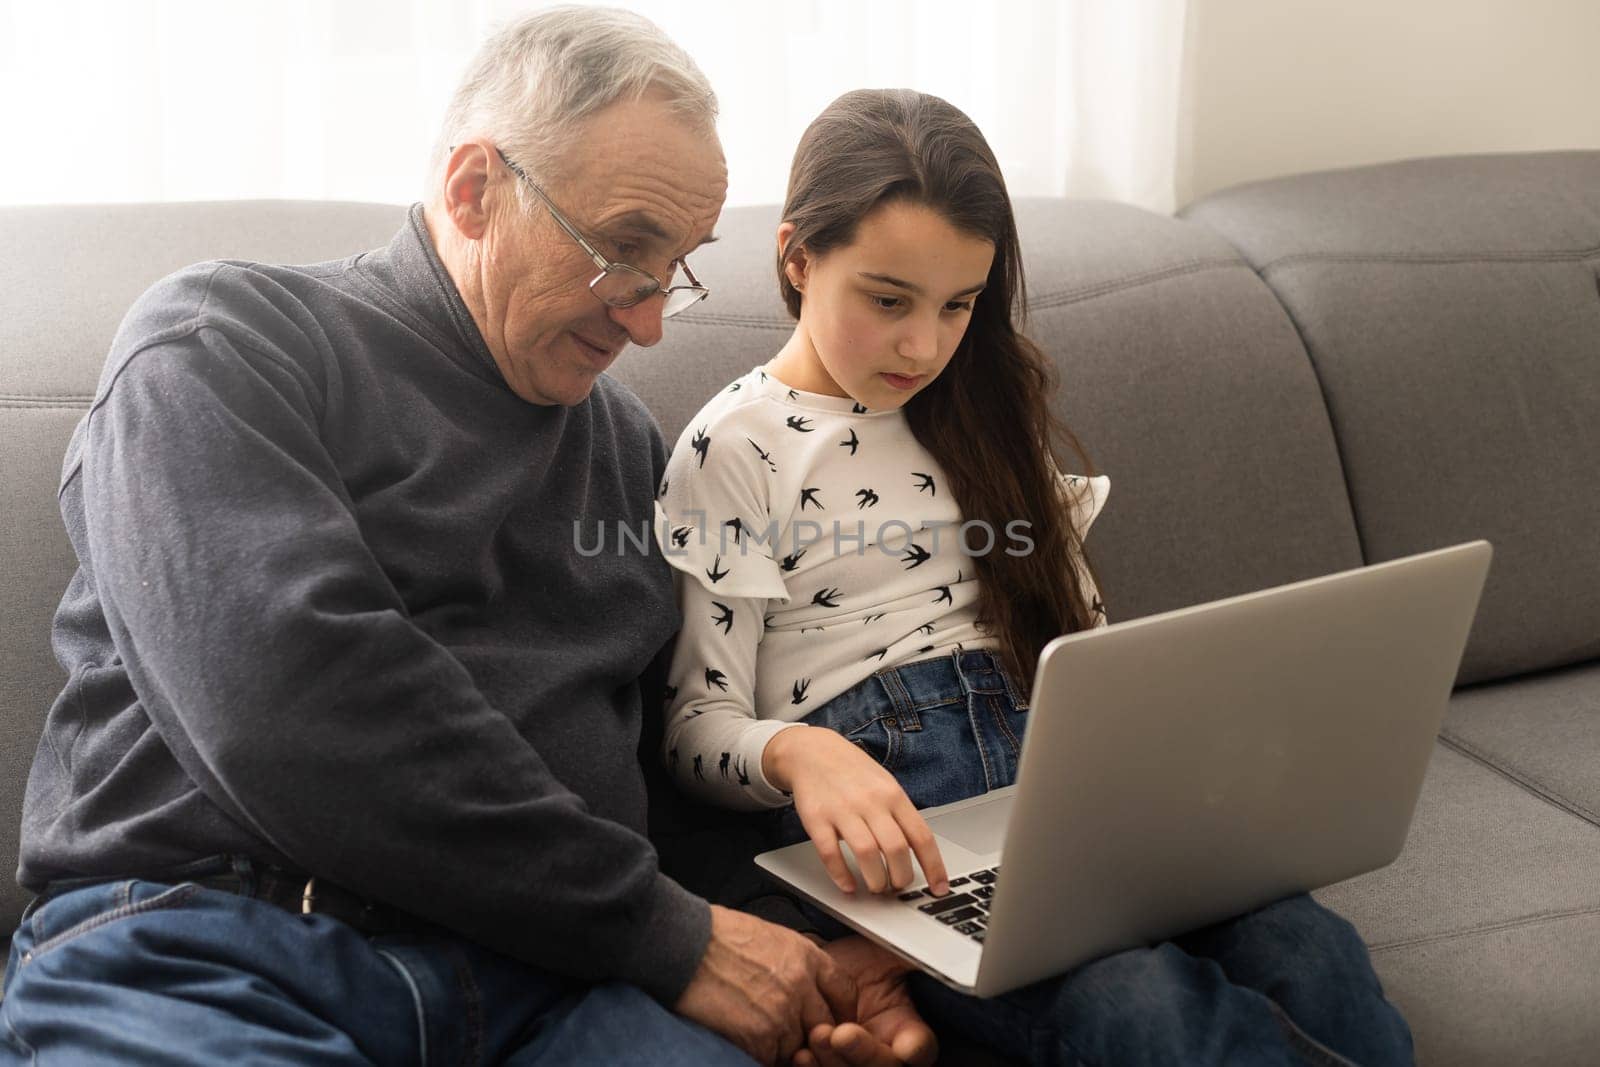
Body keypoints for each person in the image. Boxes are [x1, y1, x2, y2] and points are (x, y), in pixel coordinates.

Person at [1, 10, 937, 1066]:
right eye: (624, 250)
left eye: (673, 265)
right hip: (217, 944)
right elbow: (291, 708)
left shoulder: (626, 447)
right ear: (473, 190)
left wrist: (814, 962)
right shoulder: (224, 343)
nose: (647, 323)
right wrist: (664, 933)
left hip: (551, 978)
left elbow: (649, 788)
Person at [655, 88, 1417, 1066]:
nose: (923, 345)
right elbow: (691, 729)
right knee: (1133, 1004)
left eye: (958, 305)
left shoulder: (984, 414)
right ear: (798, 258)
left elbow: (1089, 661)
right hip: (908, 828)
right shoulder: (736, 446)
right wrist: (799, 753)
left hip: (1071, 798)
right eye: (887, 299)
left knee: (1307, 943)